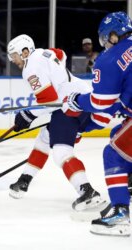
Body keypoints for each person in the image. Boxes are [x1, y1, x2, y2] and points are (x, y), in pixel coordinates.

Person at [6, 34, 109, 212]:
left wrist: (28, 115)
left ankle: (87, 190)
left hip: (71, 106)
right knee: (45, 138)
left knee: (61, 151)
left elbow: (50, 100)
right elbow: (61, 55)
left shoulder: (30, 67)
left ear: (24, 52)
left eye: (14, 56)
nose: (13, 60)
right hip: (84, 99)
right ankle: (24, 181)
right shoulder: (44, 53)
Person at [62, 11, 132, 237]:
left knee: (113, 154)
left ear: (113, 36)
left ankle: (121, 213)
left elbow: (100, 103)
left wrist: (76, 101)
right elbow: (116, 103)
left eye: (105, 39)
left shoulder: (110, 58)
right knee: (119, 135)